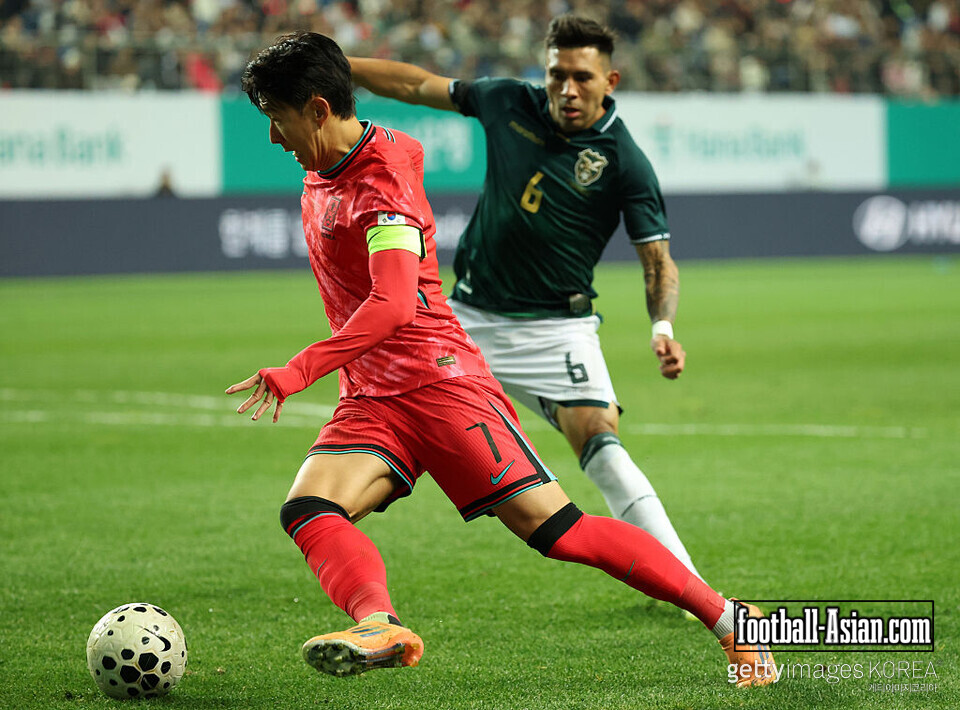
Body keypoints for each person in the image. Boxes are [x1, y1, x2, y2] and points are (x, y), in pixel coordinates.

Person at [227, 31, 777, 688]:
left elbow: (396, 302)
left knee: (560, 533)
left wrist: (301, 368)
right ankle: (378, 624)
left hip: (440, 385)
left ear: (316, 110)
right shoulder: (340, 158)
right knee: (310, 509)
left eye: (276, 120)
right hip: (374, 393)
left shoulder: (381, 185)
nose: (272, 139)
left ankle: (730, 619)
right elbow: (413, 87)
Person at [347, 15, 703, 581]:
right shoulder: (508, 102)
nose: (567, 89)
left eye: (582, 77)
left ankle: (688, 583)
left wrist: (662, 328)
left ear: (609, 80)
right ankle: (330, 519)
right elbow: (418, 85)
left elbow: (657, 262)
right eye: (557, 74)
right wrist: (336, 68)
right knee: (406, 429)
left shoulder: (625, 160)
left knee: (602, 445)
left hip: (556, 330)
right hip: (462, 322)